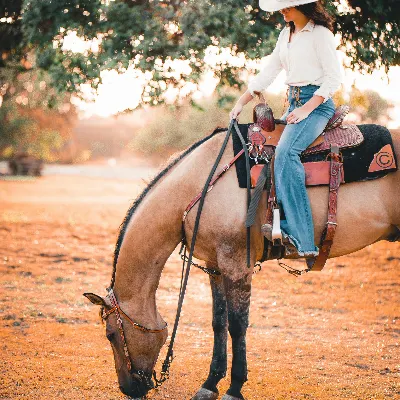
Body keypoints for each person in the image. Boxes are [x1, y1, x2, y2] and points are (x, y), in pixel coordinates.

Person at [229, 0, 343, 258]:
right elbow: (268, 72)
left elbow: (333, 78)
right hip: (292, 102)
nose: (282, 10)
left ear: (303, 6)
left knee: (286, 153)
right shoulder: (285, 35)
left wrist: (305, 109)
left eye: (287, 6)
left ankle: (303, 240)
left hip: (317, 105)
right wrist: (241, 102)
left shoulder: (320, 34)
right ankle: (273, 221)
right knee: (265, 151)